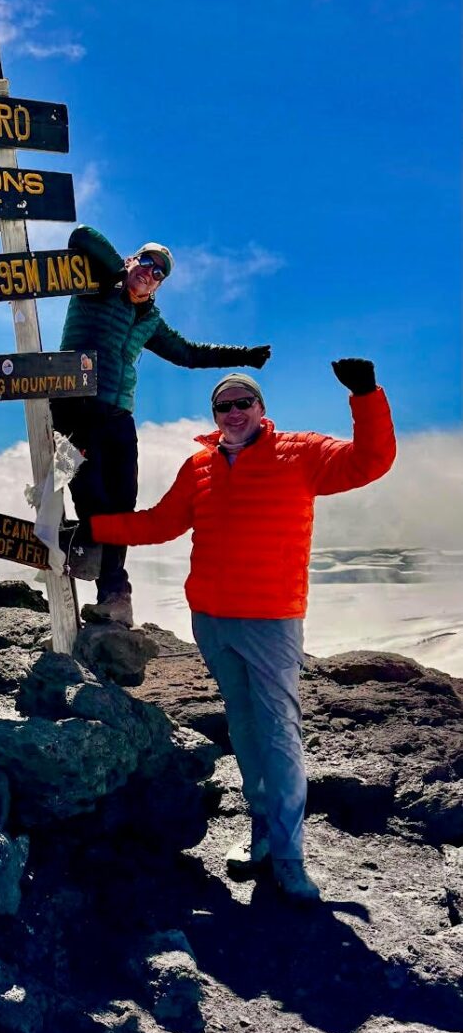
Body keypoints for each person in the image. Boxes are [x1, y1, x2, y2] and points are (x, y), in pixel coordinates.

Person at [86, 359, 396, 900]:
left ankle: (290, 855)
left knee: (279, 736)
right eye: (222, 406)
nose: (232, 413)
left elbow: (369, 461)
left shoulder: (300, 453)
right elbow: (160, 523)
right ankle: (260, 837)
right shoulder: (199, 466)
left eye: (242, 403)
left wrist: (366, 397)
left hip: (272, 619)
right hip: (211, 619)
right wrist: (90, 528)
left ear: (261, 409)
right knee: (247, 732)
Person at [52, 227, 271, 625]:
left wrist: (244, 356)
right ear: (132, 260)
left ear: (160, 285)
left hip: (119, 417)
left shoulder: (150, 320)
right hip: (74, 410)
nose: (150, 274)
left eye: (159, 274)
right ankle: (82, 547)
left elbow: (188, 353)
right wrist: (119, 267)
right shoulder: (98, 284)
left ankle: (115, 597)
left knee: (121, 507)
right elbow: (81, 236)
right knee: (92, 498)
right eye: (147, 263)